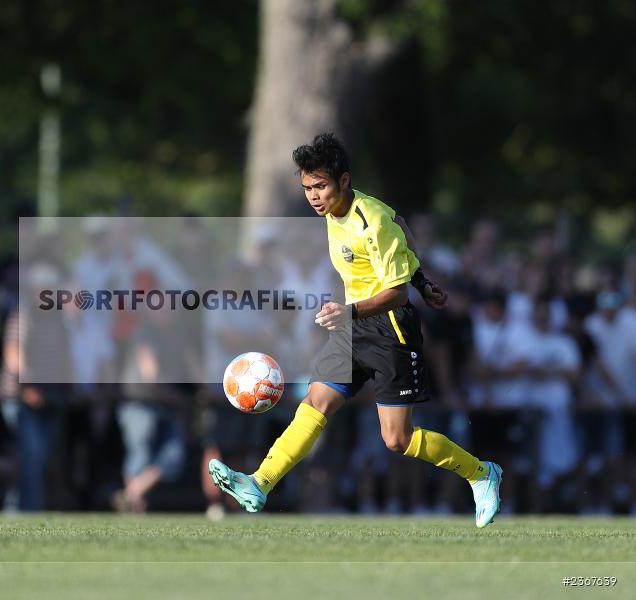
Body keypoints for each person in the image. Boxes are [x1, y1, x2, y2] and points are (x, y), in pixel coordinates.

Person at [208, 133, 503, 528]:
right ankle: (260, 482)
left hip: (392, 329)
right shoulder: (336, 212)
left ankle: (481, 474)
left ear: (344, 180)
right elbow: (404, 227)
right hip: (354, 326)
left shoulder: (372, 220)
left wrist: (390, 295)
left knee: (397, 439)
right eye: (307, 188)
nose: (314, 197)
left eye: (320, 186)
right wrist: (423, 280)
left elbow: (396, 292)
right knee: (316, 402)